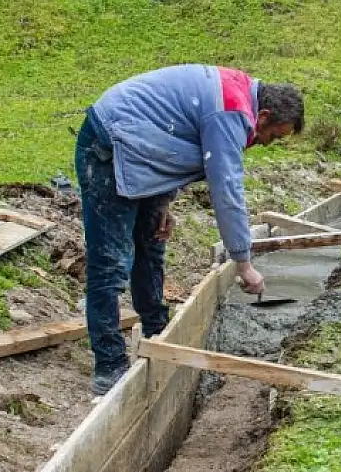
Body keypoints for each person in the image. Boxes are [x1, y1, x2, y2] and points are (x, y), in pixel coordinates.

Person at [76, 64, 304, 394]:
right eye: (274, 136)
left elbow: (178, 142)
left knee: (151, 243)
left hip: (141, 147)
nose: (268, 144)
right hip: (110, 145)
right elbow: (226, 188)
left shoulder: (239, 98)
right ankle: (109, 366)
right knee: (111, 262)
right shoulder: (232, 113)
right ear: (264, 115)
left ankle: (158, 335)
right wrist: (244, 263)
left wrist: (164, 201)